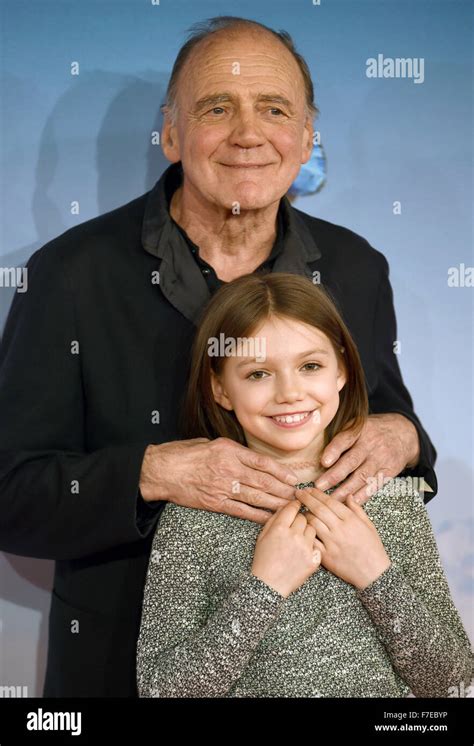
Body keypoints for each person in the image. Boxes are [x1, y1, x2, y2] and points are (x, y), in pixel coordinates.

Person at [0, 16, 437, 697]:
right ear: (171, 133)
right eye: (216, 108)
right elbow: (9, 494)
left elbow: (393, 420)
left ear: (306, 135)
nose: (248, 133)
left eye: (274, 109)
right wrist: (153, 473)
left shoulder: (355, 269)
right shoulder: (68, 276)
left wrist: (402, 437)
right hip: (121, 671)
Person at [137, 273, 472, 698]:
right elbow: (162, 693)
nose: (290, 393)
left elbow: (454, 683)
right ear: (220, 388)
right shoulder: (193, 514)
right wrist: (265, 588)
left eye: (310, 366)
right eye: (258, 374)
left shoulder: (394, 498)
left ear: (342, 370)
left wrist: (374, 573)